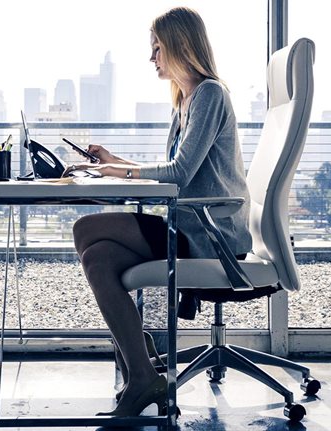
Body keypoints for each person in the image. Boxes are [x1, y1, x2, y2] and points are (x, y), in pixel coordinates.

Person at [66, 6, 252, 416]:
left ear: (180, 45)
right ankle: (142, 370)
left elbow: (180, 173)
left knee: (84, 231)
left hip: (209, 233)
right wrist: (114, 161)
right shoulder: (185, 101)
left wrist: (112, 170)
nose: (152, 58)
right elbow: (170, 173)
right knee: (98, 256)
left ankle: (142, 362)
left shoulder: (210, 94)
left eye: (157, 49)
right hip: (188, 224)